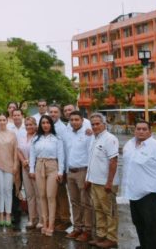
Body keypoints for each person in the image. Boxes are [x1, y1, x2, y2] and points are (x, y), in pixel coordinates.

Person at [122, 120, 156, 249]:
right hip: (133, 194)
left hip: (151, 195)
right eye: (138, 129)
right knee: (139, 224)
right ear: (134, 130)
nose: (141, 131)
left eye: (144, 129)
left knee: (152, 228)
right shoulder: (129, 145)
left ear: (150, 131)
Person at [84, 113, 120, 248]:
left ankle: (112, 238)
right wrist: (88, 179)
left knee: (109, 211)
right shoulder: (95, 138)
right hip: (94, 182)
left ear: (104, 124)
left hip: (106, 184)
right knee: (98, 210)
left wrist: (109, 182)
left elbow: (113, 161)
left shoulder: (110, 139)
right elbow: (92, 161)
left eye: (98, 123)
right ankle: (101, 236)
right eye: (92, 124)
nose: (95, 126)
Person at [29, 115, 65, 237]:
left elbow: (61, 156)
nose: (45, 125)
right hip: (39, 165)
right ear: (40, 125)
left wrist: (60, 171)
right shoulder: (36, 139)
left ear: (51, 124)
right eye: (43, 123)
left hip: (52, 166)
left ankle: (51, 224)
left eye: (47, 123)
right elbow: (32, 155)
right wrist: (31, 169)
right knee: (42, 196)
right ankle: (44, 222)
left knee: (50, 196)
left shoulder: (57, 139)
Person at [63, 111, 94, 243]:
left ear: (82, 120)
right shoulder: (68, 133)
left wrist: (89, 175)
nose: (74, 122)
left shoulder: (88, 134)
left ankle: (88, 230)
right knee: (74, 202)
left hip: (83, 171)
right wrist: (64, 171)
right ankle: (77, 227)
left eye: (77, 119)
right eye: (72, 120)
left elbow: (91, 155)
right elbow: (66, 152)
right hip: (70, 172)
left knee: (85, 202)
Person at [0, 113, 19, 227]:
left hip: (9, 165)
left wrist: (16, 165)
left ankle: (8, 214)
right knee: (0, 190)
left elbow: (16, 151)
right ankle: (1, 214)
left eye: (3, 120)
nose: (2, 122)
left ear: (7, 121)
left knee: (8, 190)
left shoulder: (12, 134)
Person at [48, 104, 73, 232]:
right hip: (50, 163)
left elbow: (63, 149)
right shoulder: (48, 125)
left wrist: (62, 169)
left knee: (61, 194)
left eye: (55, 112)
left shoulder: (62, 128)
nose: (53, 114)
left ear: (59, 114)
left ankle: (65, 219)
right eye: (51, 112)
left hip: (60, 164)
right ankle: (57, 217)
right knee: (54, 193)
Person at [17, 116, 41, 230]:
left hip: (36, 167)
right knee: (30, 195)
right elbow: (18, 150)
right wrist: (23, 161)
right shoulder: (22, 136)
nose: (29, 127)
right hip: (25, 167)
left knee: (38, 194)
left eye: (31, 124)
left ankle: (41, 219)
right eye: (26, 125)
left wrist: (30, 162)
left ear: (35, 125)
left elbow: (40, 152)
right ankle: (32, 219)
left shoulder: (39, 137)